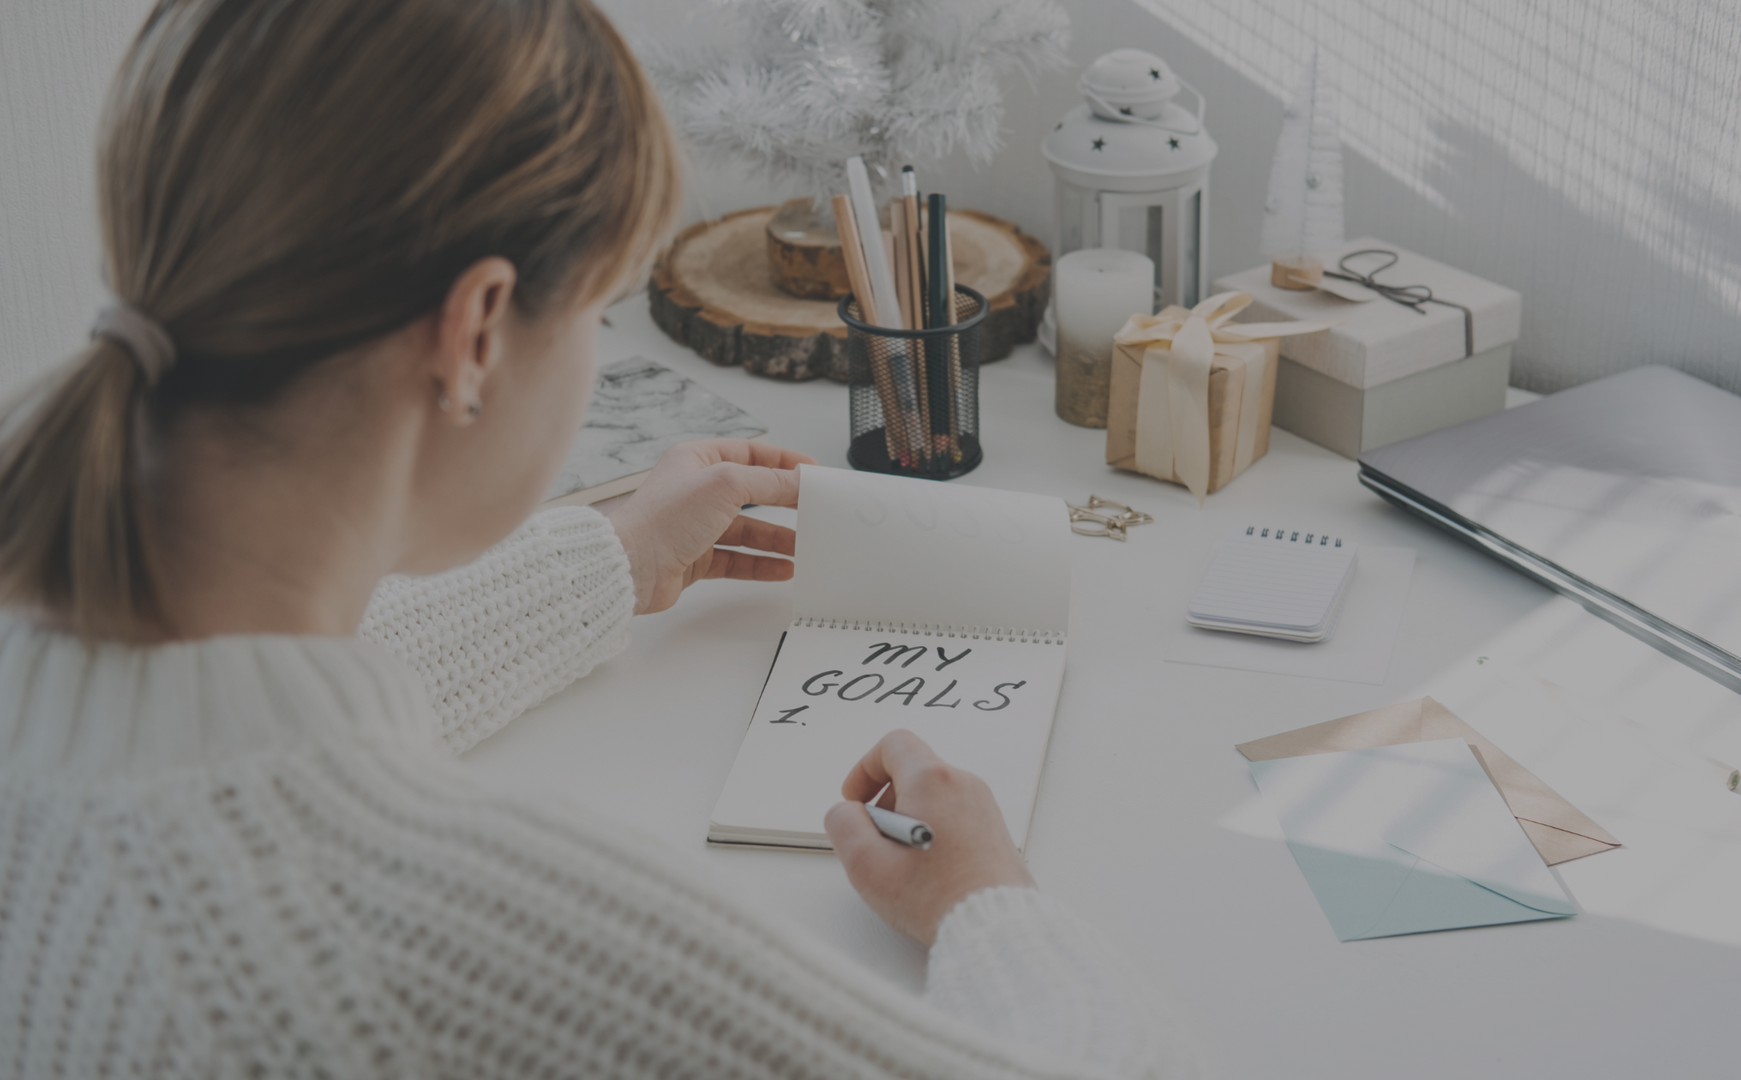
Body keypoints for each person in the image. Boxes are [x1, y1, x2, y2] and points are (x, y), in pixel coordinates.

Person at [0, 1, 1197, 1077]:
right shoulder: (446, 936)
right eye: (600, 310)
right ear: (475, 333)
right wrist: (985, 898)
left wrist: (612, 557)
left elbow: (248, 713)